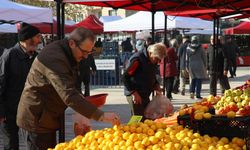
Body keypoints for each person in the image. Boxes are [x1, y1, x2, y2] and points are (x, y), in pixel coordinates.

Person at [16, 27, 120, 150]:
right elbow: (68, 93)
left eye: (89, 52)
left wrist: (81, 113)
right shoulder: (54, 57)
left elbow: (73, 84)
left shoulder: (69, 54)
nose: (86, 57)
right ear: (71, 43)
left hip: (48, 117)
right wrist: (100, 115)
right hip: (36, 118)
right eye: (84, 52)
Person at [0, 22, 41, 150]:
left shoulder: (36, 57)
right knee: (11, 145)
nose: (40, 40)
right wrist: (1, 111)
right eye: (38, 37)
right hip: (9, 111)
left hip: (30, 110)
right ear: (29, 38)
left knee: (34, 144)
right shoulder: (9, 56)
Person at [123, 43, 166, 119]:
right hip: (135, 93)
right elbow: (125, 77)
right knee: (138, 118)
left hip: (145, 93)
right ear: (150, 53)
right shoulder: (137, 59)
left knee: (147, 117)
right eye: (156, 58)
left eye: (159, 60)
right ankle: (132, 130)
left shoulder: (153, 60)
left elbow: (151, 75)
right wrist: (134, 93)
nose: (158, 62)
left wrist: (156, 85)